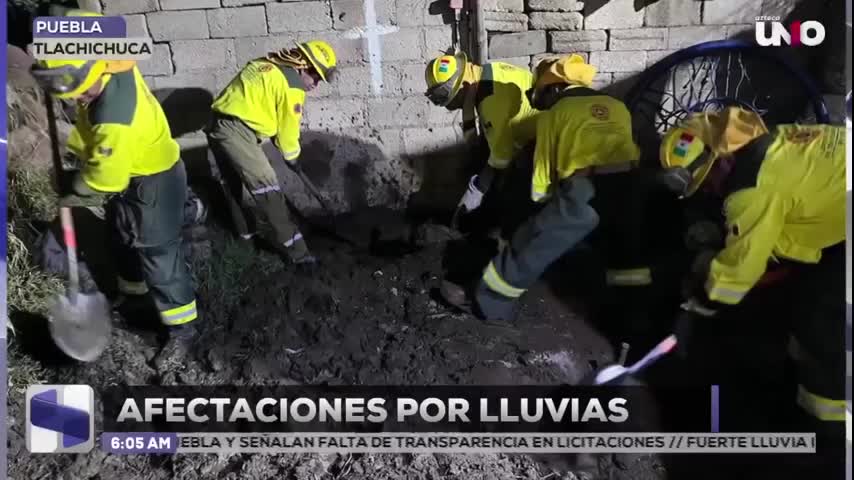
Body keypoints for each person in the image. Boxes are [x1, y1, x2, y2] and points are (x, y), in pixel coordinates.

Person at [660, 107, 846, 472]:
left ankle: (829, 438)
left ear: (719, 161)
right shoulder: (774, 138)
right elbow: (798, 203)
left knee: (825, 324)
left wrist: (701, 301)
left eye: (706, 181)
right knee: (810, 301)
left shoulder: (750, 189)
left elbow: (737, 274)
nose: (710, 191)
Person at [30, 9, 199, 368]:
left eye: (80, 89)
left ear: (98, 67)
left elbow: (105, 180)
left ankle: (182, 329)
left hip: (152, 180)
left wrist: (71, 188)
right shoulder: (113, 63)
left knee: (157, 255)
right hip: (129, 173)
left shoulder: (115, 118)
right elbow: (85, 18)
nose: (77, 98)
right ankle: (134, 296)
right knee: (122, 236)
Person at [443, 55, 651, 329]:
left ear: (555, 88)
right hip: (630, 186)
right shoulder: (618, 107)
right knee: (627, 252)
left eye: (539, 92)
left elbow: (541, 183)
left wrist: (533, 215)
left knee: (530, 241)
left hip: (583, 190)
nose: (536, 99)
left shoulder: (555, 115)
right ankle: (633, 317)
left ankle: (489, 303)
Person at [207, 41, 337, 268]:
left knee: (233, 186)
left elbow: (267, 112)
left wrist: (282, 145)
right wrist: (292, 156)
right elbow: (288, 132)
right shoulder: (293, 86)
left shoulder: (266, 64)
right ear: (302, 65)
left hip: (218, 124)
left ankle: (245, 240)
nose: (316, 84)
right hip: (238, 132)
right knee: (268, 189)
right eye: (315, 76)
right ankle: (300, 255)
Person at [424, 51, 540, 231]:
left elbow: (501, 160)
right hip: (526, 129)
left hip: (542, 137)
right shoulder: (484, 73)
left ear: (462, 85)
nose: (446, 105)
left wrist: (475, 192)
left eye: (444, 97)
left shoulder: (490, 103)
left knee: (510, 182)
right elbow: (476, 136)